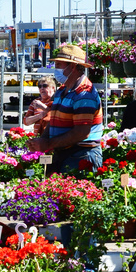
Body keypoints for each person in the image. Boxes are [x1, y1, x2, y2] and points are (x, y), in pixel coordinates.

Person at [27, 43, 103, 174]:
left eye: (58, 65)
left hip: (82, 155)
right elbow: (54, 120)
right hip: (64, 153)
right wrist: (43, 140)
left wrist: (48, 144)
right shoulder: (62, 90)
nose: (55, 69)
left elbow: (81, 132)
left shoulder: (84, 94)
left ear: (72, 67)